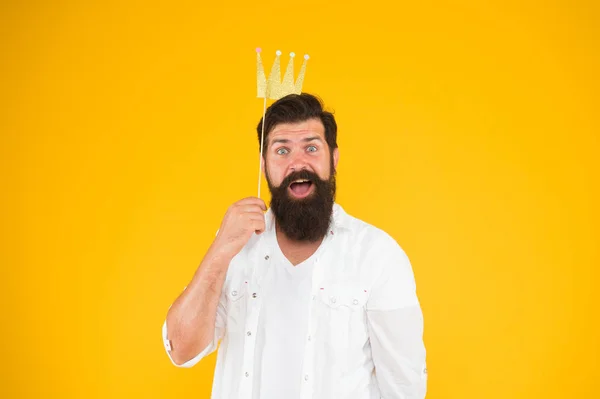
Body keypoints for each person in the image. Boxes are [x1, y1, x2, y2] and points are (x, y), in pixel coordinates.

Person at [162, 93, 427, 399]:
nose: (297, 163)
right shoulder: (235, 248)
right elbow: (181, 350)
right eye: (282, 150)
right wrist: (221, 248)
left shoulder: (377, 255)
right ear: (264, 165)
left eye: (311, 148)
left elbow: (404, 387)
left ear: (334, 158)